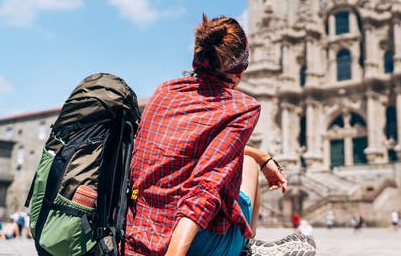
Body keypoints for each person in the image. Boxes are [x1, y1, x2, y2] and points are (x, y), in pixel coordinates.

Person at [124, 14, 314, 256]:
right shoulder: (242, 107)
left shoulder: (164, 91)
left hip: (137, 231)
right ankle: (244, 249)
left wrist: (262, 154)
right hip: (187, 245)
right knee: (248, 165)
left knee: (250, 158)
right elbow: (203, 191)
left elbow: (186, 149)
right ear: (239, 71)